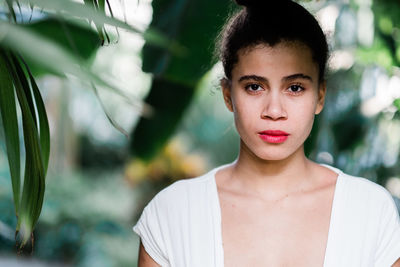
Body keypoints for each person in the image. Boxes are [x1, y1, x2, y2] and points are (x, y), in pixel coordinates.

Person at [133, 0, 400, 266]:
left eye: (295, 88)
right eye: (254, 87)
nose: (274, 111)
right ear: (228, 95)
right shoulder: (172, 213)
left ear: (320, 96)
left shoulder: (370, 211)